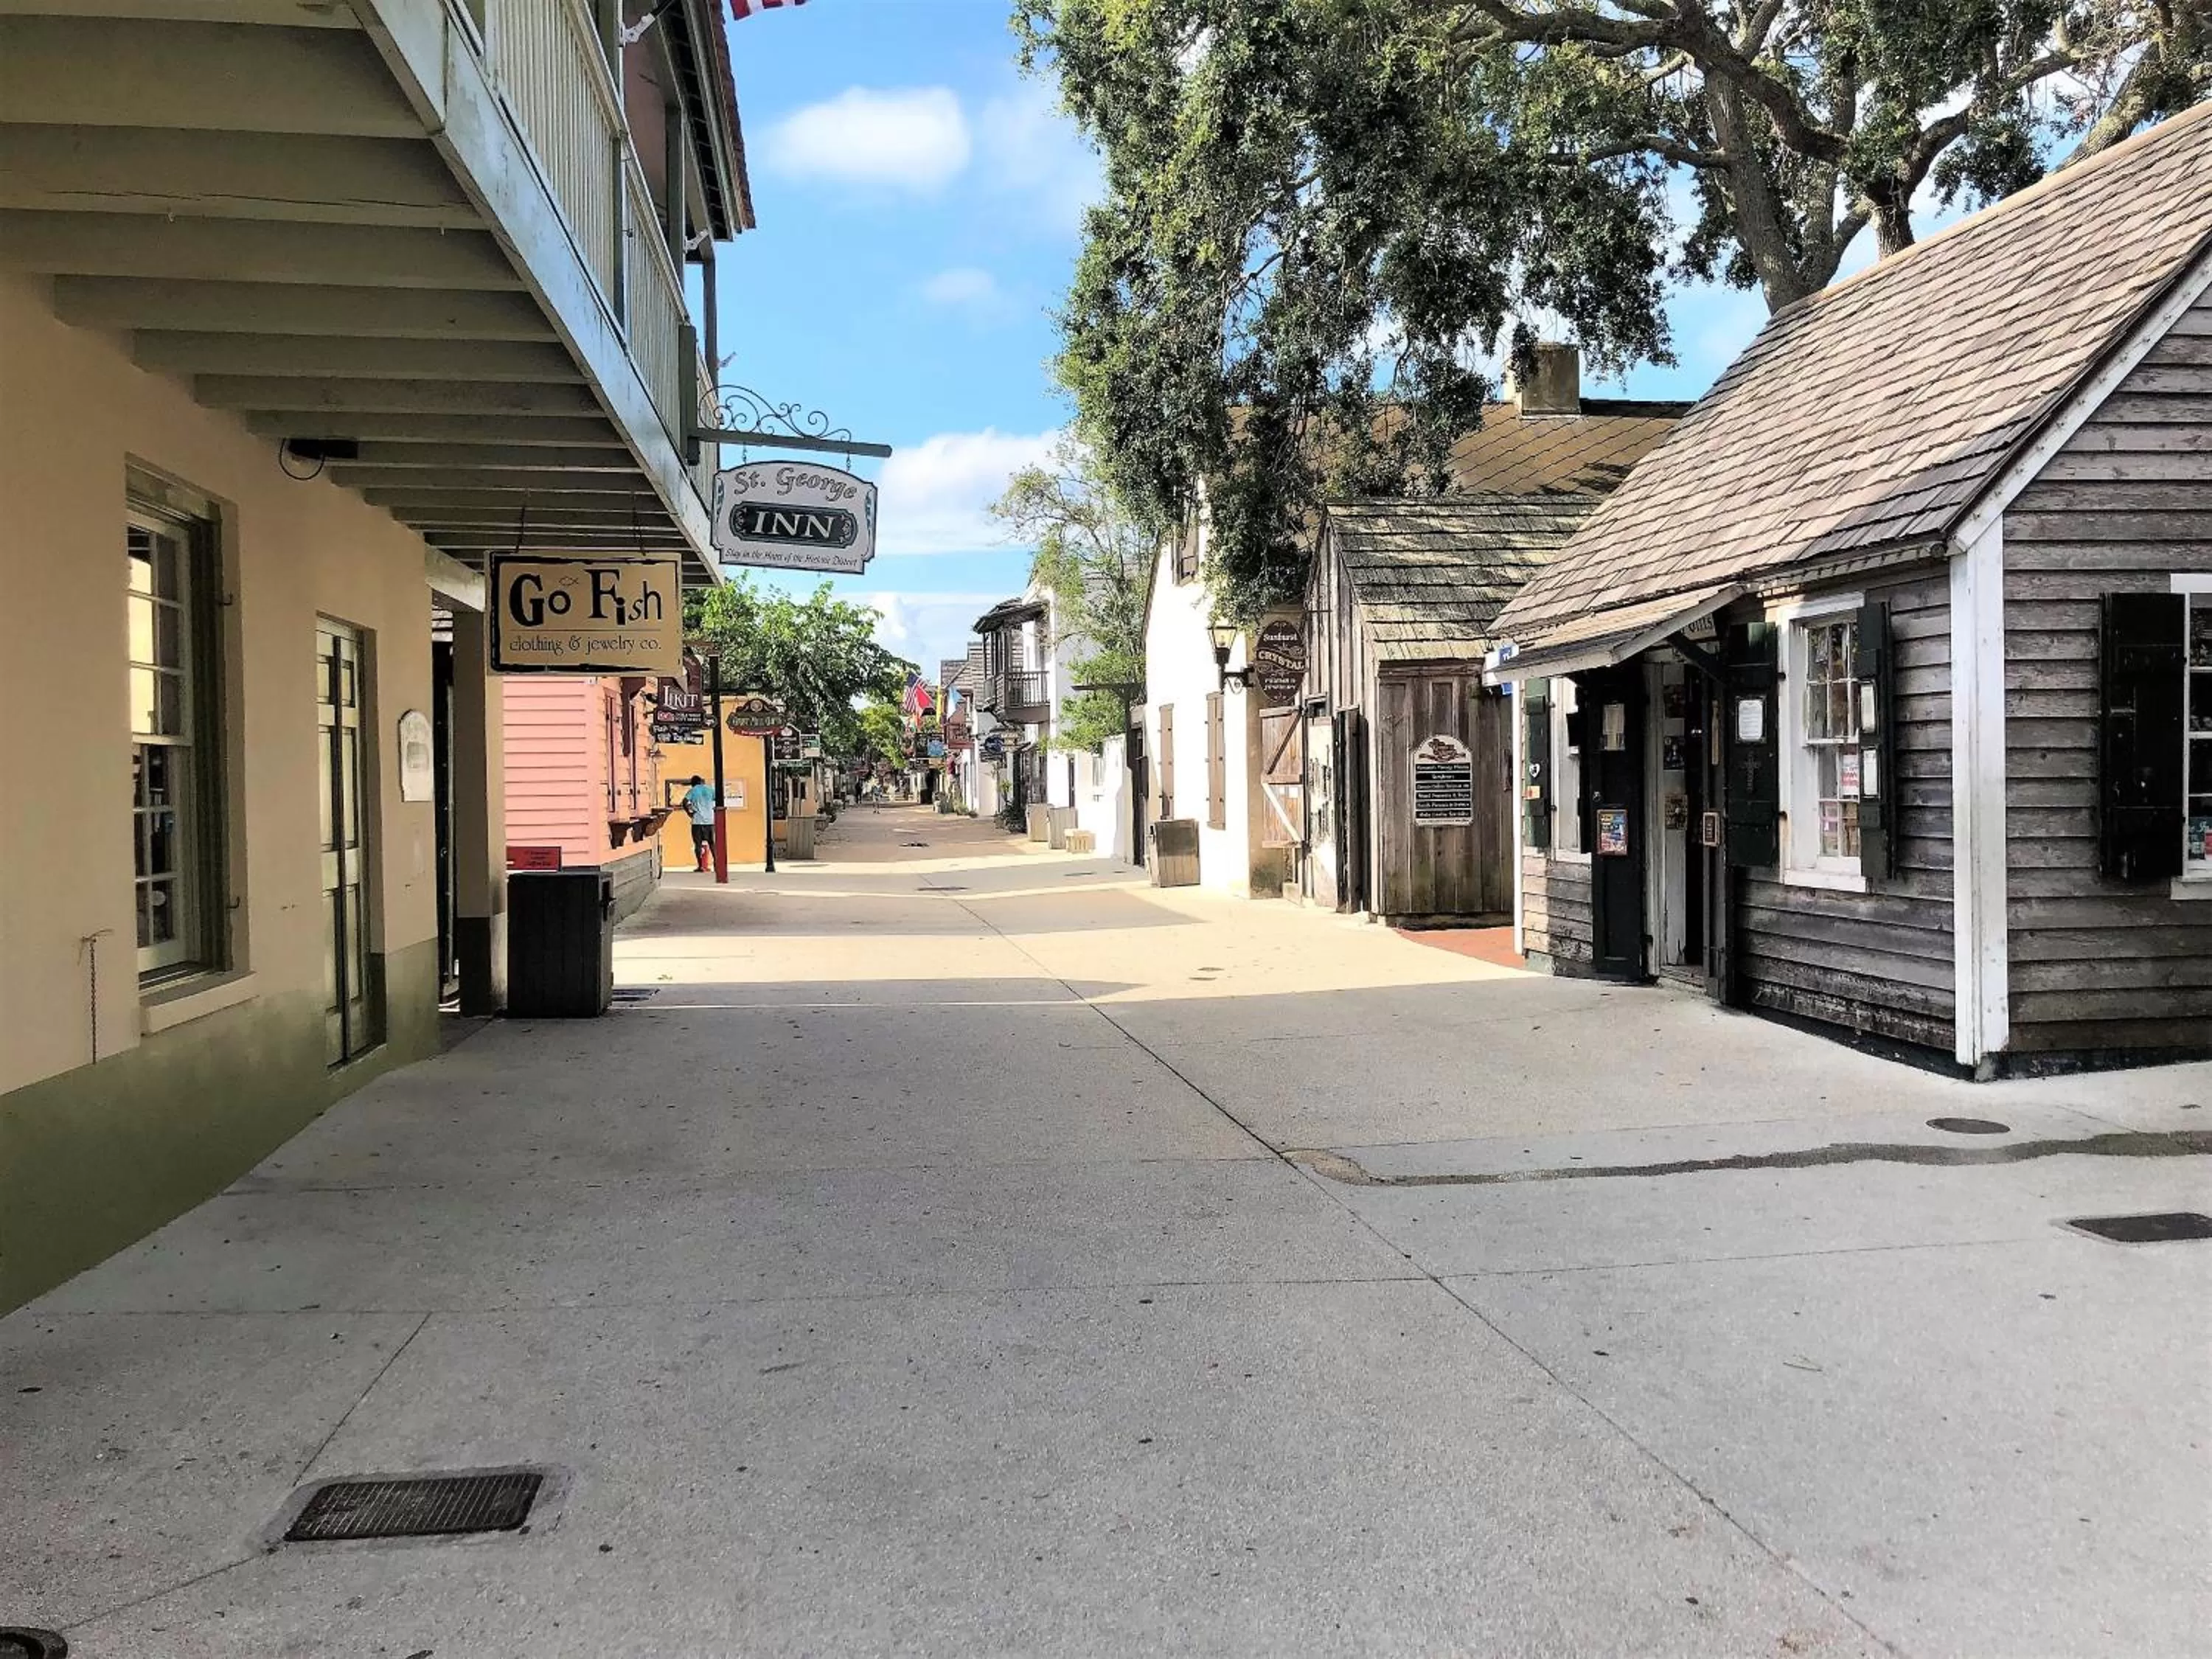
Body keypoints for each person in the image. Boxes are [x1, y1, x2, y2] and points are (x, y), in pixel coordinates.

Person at [681, 773, 716, 872]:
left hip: (697, 821)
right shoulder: (710, 789)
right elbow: (718, 799)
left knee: (698, 844)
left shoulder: (693, 790)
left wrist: (689, 812)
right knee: (712, 843)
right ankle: (717, 864)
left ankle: (700, 866)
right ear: (701, 781)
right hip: (710, 820)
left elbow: (684, 802)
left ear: (693, 783)